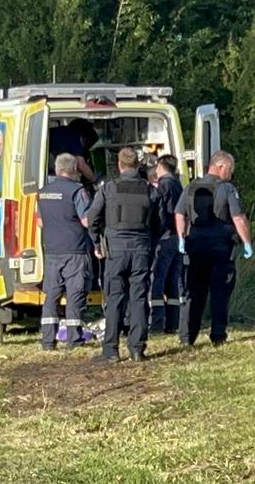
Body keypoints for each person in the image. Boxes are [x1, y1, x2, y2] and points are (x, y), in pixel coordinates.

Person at [87, 147, 163, 363]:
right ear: (138, 165)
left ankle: (110, 350)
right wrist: (150, 242)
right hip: (141, 249)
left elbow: (93, 216)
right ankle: (137, 349)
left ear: (119, 165)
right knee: (139, 297)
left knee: (114, 299)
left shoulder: (109, 189)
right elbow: (160, 221)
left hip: (115, 251)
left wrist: (96, 241)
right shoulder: (150, 190)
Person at [175, 150, 253, 346]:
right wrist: (247, 243)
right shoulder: (227, 189)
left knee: (194, 293)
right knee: (220, 292)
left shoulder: (191, 187)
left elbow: (179, 213)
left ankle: (187, 337)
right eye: (230, 170)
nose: (231, 174)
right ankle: (218, 335)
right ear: (221, 167)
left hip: (196, 247)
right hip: (220, 249)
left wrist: (181, 237)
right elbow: (238, 218)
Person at [37, 153, 92, 350]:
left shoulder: (43, 192)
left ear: (57, 169)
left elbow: (40, 222)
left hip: (52, 250)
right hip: (75, 250)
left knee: (51, 295)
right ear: (75, 169)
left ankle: (47, 341)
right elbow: (86, 220)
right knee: (75, 293)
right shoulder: (77, 191)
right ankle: (73, 339)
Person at [150, 154, 184, 333]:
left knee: (157, 279)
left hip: (164, 238)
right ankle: (173, 323)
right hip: (178, 238)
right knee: (173, 281)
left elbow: (160, 213)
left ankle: (156, 324)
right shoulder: (179, 184)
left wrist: (154, 233)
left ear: (161, 166)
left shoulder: (164, 185)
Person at [48, 119, 98, 184]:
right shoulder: (75, 136)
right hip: (52, 173)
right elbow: (81, 165)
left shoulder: (60, 132)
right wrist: (94, 179)